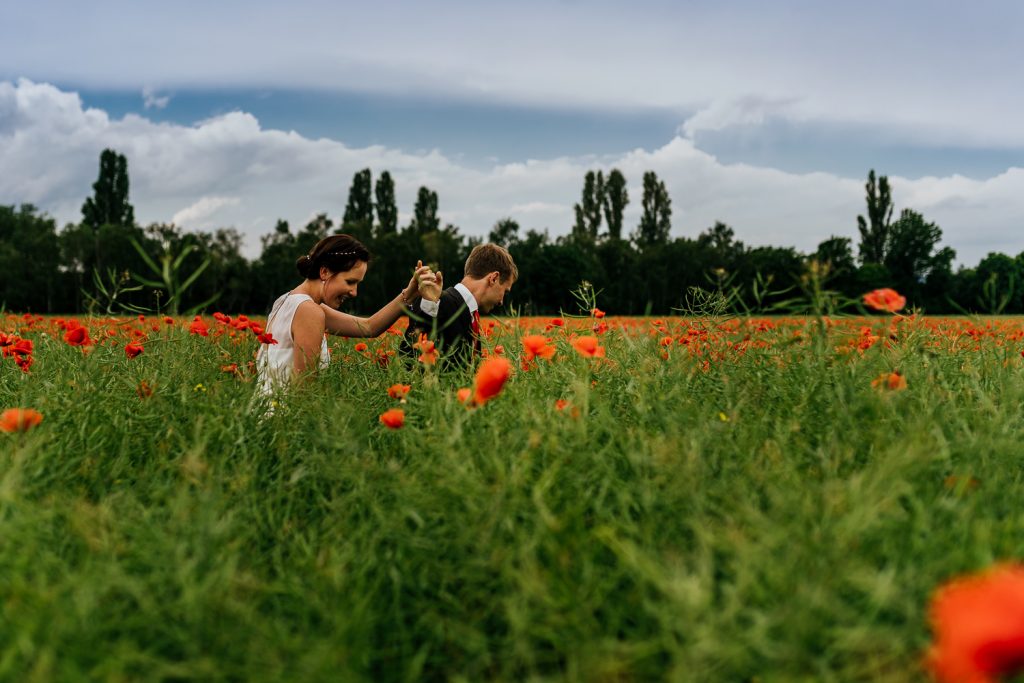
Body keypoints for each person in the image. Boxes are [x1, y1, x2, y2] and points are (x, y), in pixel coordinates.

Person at [257, 234, 435, 395]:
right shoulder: (308, 311)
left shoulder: (286, 301)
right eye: (350, 282)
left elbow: (368, 327)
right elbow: (303, 392)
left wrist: (410, 293)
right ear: (324, 271)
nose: (354, 292)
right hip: (286, 421)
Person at [403, 243, 517, 366]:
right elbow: (410, 359)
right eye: (505, 291)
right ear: (493, 278)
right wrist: (428, 305)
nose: (501, 301)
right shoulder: (436, 302)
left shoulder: (471, 315)